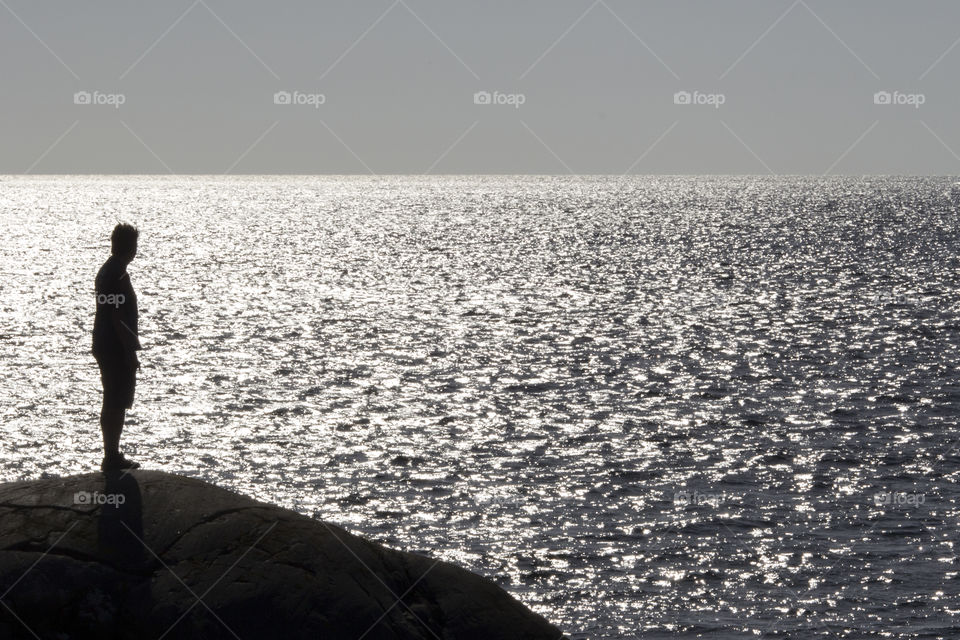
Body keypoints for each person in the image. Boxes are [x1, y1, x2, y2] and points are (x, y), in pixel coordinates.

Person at [92, 223, 142, 471]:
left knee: (111, 398)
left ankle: (111, 452)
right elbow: (117, 316)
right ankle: (111, 454)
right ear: (130, 247)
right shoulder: (117, 274)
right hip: (114, 346)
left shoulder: (107, 271)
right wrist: (130, 351)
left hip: (104, 342)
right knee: (116, 398)